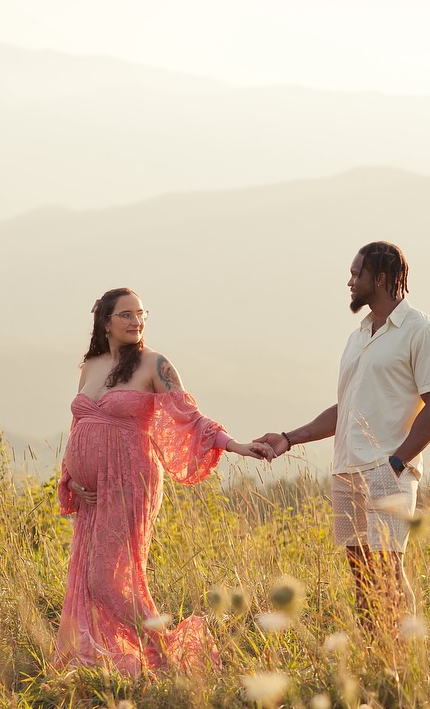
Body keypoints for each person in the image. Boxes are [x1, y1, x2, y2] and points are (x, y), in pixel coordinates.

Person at [55, 287, 272, 675]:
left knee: (105, 580)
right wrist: (71, 477)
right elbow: (79, 424)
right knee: (90, 579)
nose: (136, 321)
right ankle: (107, 657)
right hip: (93, 492)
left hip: (129, 480)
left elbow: (189, 416)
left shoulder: (154, 364)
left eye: (141, 314)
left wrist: (235, 445)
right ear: (105, 322)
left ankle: (167, 651)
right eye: (126, 314)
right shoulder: (90, 366)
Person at [255, 242, 430, 630]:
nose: (349, 282)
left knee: (388, 570)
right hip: (346, 471)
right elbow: (345, 407)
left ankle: (404, 653)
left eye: (356, 274)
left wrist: (395, 464)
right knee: (362, 575)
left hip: (387, 471)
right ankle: (372, 651)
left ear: (380, 278)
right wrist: (289, 438)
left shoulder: (423, 331)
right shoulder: (359, 335)